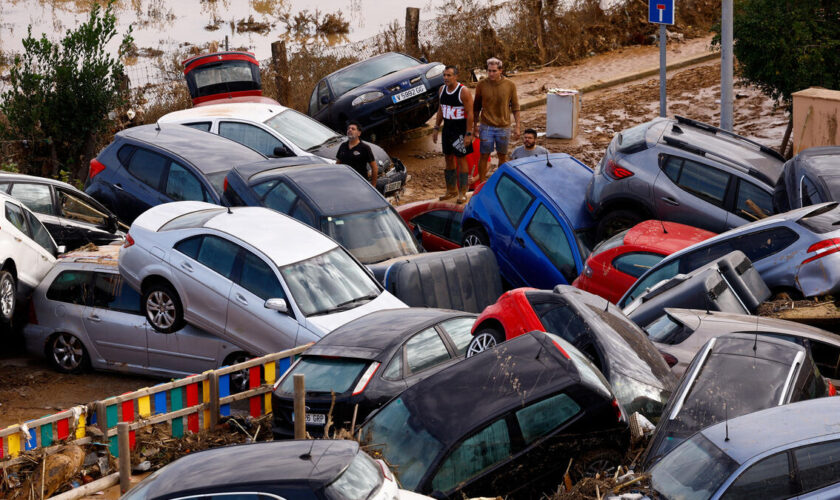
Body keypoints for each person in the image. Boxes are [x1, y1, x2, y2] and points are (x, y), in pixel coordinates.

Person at [473, 57, 520, 184]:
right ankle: (482, 183)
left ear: (501, 70)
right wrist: (475, 125)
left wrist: (518, 126)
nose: (491, 74)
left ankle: (501, 182)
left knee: (502, 156)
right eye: (489, 71)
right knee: (484, 155)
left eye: (494, 71)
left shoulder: (510, 85)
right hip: (486, 126)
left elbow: (515, 106)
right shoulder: (481, 85)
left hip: (503, 126)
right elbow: (476, 106)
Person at [433, 65, 474, 204]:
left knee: (461, 158)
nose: (446, 78)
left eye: (449, 75)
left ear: (456, 76)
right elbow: (440, 109)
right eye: (444, 75)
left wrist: (469, 134)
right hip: (447, 129)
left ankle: (463, 192)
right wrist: (436, 127)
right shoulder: (441, 90)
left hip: (460, 130)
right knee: (448, 158)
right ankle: (451, 190)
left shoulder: (463, 91)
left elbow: (470, 114)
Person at [336, 121, 377, 188]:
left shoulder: (365, 148)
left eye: (353, 129)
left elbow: (374, 167)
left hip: (361, 184)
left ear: (359, 133)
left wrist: (373, 185)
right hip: (345, 183)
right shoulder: (342, 146)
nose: (350, 130)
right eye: (348, 128)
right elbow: (338, 164)